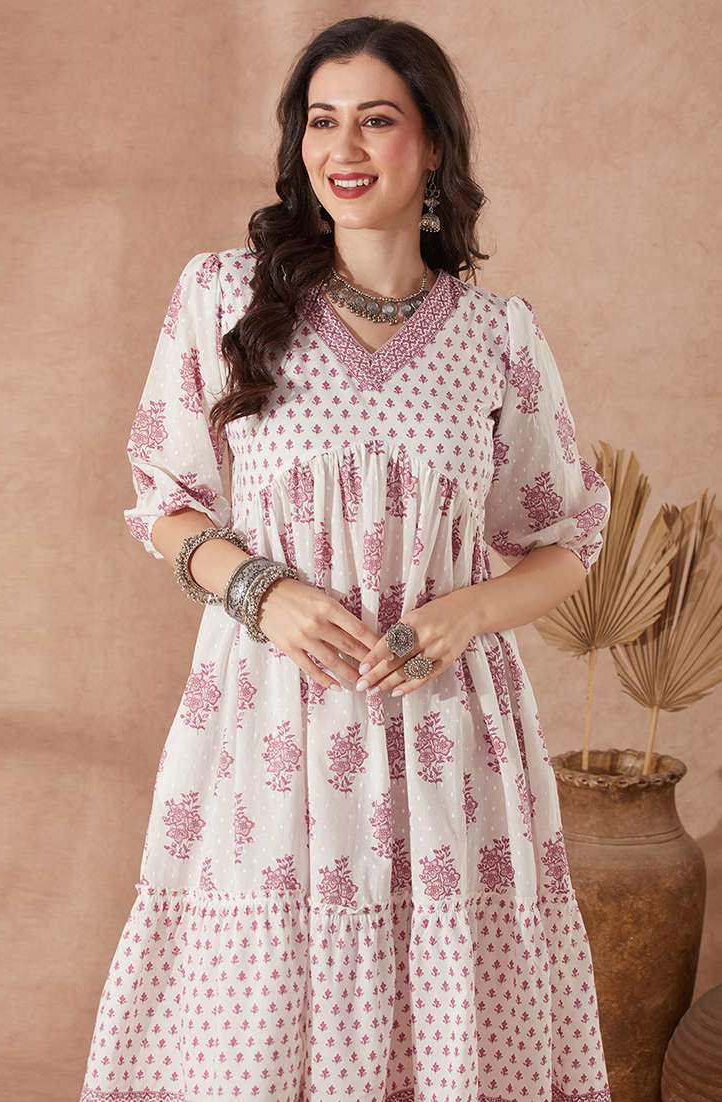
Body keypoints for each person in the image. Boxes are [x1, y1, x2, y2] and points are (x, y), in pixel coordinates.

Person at [79, 16, 613, 1102]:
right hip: (270, 730)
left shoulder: (497, 335)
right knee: (252, 1043)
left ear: (433, 143)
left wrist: (465, 612)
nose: (344, 148)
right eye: (321, 122)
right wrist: (259, 591)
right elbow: (164, 500)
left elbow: (568, 541)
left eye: (376, 119)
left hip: (447, 737)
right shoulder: (224, 297)